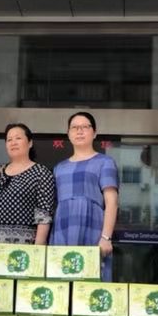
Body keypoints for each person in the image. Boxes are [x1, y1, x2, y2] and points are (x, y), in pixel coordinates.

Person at [50, 112, 119, 281]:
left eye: (85, 127)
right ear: (68, 133)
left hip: (93, 227)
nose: (79, 131)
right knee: (61, 281)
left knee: (92, 282)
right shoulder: (59, 168)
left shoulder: (105, 162)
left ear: (94, 133)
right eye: (74, 127)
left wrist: (106, 237)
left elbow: (111, 202)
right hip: (62, 229)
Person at [0, 123, 56, 244]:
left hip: (22, 246)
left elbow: (44, 216)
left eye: (18, 138)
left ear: (30, 143)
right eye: (9, 140)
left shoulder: (41, 172)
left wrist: (38, 249)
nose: (13, 142)